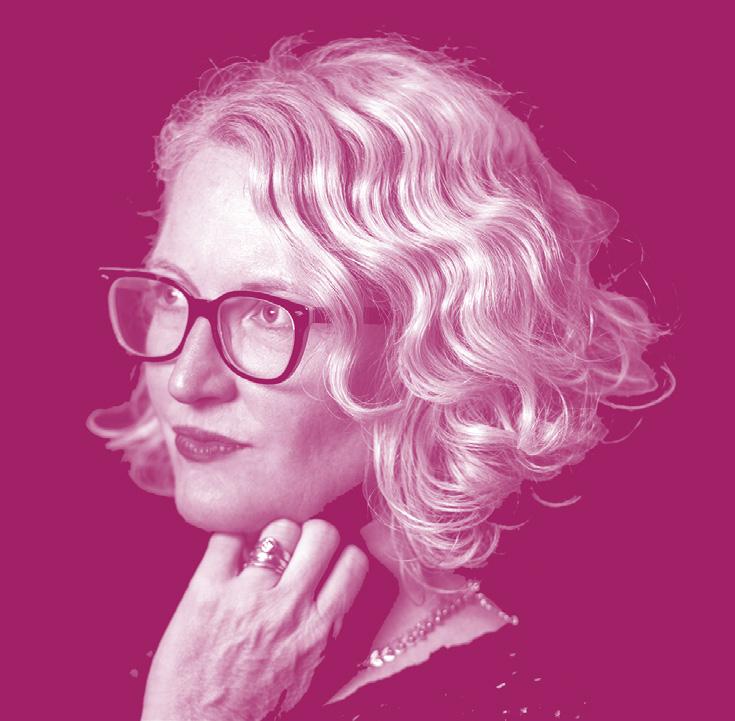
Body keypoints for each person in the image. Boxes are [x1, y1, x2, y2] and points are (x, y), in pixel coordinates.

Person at [87, 34, 670, 720]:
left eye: (270, 313)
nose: (187, 380)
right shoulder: (115, 615)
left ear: (435, 348)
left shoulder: (517, 703)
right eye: (169, 293)